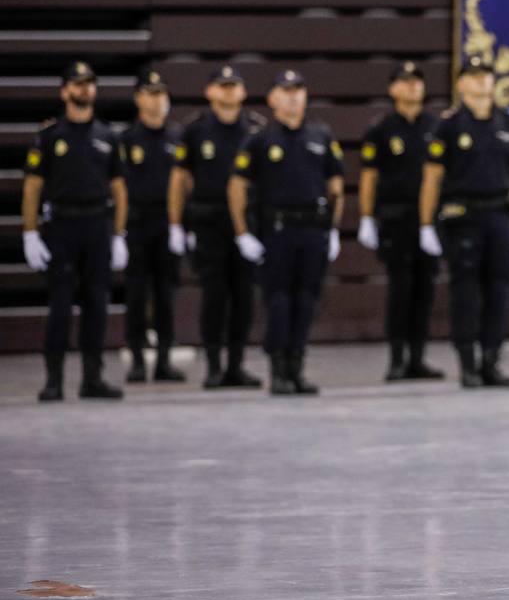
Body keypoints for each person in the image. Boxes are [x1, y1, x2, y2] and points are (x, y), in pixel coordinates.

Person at [418, 56, 509, 389]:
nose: (481, 81)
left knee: (499, 290)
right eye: (473, 76)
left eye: (486, 75)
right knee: (466, 291)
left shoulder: (506, 124)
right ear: (461, 83)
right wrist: (426, 224)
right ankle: (467, 362)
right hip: (463, 218)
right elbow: (431, 179)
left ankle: (491, 361)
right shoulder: (449, 125)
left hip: (499, 215)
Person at [228, 70, 345, 395]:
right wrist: (242, 232)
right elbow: (237, 186)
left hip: (312, 228)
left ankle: (297, 367)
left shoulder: (320, 135)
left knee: (307, 299)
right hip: (277, 229)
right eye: (286, 90)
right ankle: (278, 368)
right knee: (278, 300)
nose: (293, 96)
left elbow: (335, 185)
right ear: (273, 99)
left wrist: (333, 230)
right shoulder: (260, 138)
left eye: (298, 90)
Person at [22, 61, 128, 401]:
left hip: (97, 224)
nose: (84, 89)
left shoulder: (108, 136)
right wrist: (30, 232)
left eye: (89, 83)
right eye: (77, 83)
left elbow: (120, 190)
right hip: (63, 226)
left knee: (97, 305)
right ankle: (53, 379)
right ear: (64, 91)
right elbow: (33, 187)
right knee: (60, 305)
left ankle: (92, 378)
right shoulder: (51, 136)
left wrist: (119, 235)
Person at [168, 65, 265, 389]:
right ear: (210, 91)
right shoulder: (195, 130)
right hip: (208, 222)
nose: (228, 92)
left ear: (242, 92)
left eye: (233, 86)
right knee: (214, 296)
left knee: (243, 296)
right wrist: (176, 224)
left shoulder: (254, 129)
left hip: (245, 225)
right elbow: (179, 180)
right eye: (222, 86)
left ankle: (236, 365)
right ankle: (213, 365)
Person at [358, 61, 444, 382]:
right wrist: (367, 217)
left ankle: (418, 358)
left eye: (417, 81)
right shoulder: (381, 130)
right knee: (400, 290)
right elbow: (369, 177)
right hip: (396, 219)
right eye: (405, 82)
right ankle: (396, 358)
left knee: (425, 291)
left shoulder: (437, 126)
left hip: (429, 221)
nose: (413, 87)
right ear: (392, 89)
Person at [119, 67, 185, 382]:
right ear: (138, 98)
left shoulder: (177, 137)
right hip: (138, 224)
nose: (157, 100)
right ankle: (136, 360)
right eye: (151, 93)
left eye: (161, 94)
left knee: (165, 295)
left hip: (167, 223)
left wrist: (183, 225)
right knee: (135, 294)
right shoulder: (127, 138)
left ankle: (163, 360)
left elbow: (187, 183)